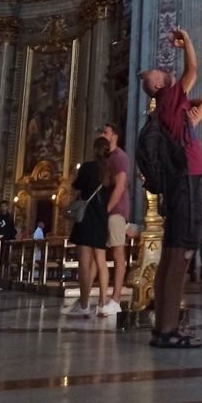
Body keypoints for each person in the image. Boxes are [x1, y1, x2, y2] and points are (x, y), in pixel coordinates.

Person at [140, 27, 202, 347]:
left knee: (173, 253)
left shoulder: (172, 107)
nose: (165, 70)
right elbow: (194, 69)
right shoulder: (169, 98)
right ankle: (168, 329)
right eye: (160, 72)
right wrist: (187, 42)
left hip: (181, 182)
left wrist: (187, 110)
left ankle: (165, 326)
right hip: (186, 180)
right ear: (157, 85)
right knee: (180, 254)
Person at [65, 136, 114, 320]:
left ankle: (84, 304)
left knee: (84, 263)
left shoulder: (87, 167)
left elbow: (76, 185)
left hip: (86, 218)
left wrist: (74, 175)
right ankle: (101, 303)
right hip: (101, 218)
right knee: (101, 262)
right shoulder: (110, 170)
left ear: (95, 150)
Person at [99, 123, 131, 313]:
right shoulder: (106, 158)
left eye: (106, 132)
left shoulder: (119, 157)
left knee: (118, 253)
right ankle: (99, 301)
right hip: (105, 211)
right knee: (98, 254)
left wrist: (106, 210)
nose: (103, 135)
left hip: (116, 210)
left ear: (115, 136)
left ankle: (116, 299)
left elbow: (119, 188)